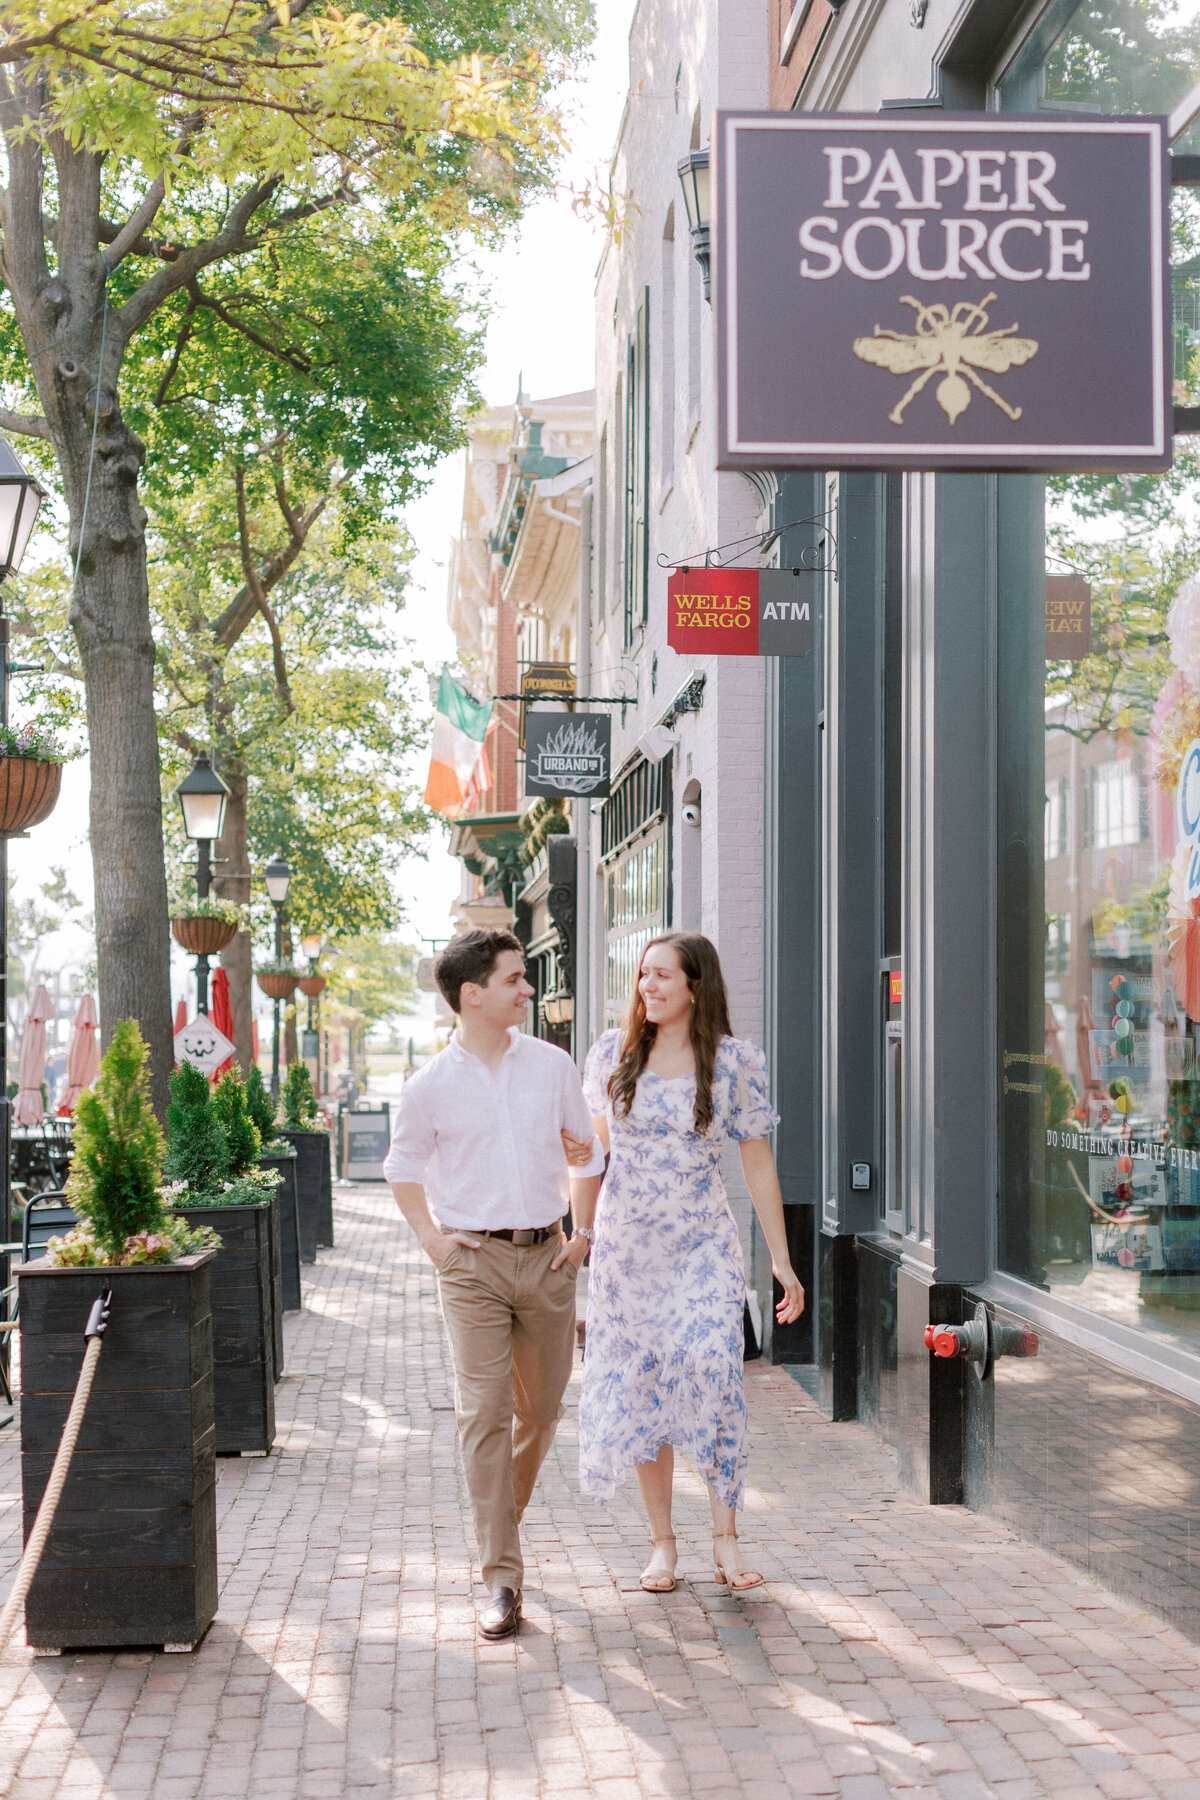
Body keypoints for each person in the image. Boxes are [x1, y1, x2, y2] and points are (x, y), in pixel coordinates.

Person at [384, 927, 605, 1641]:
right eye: (515, 978)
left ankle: (494, 1529)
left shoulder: (551, 1066)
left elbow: (588, 1151)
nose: (529, 989)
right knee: (484, 1415)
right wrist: (435, 1244)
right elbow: (401, 1169)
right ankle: (501, 1577)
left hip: (547, 1259)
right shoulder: (428, 1087)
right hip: (473, 1267)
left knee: (540, 1413)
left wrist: (582, 1238)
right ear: (471, 994)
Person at [579, 932, 805, 1593]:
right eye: (643, 975)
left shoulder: (734, 1062)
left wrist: (783, 1263)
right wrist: (579, 1234)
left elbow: (758, 1164)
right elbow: (589, 1155)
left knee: (714, 1374)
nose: (647, 986)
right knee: (646, 1389)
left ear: (695, 986)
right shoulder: (612, 1053)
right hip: (628, 1253)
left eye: (662, 976)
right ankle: (661, 1546)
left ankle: (727, 1539)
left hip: (703, 1245)